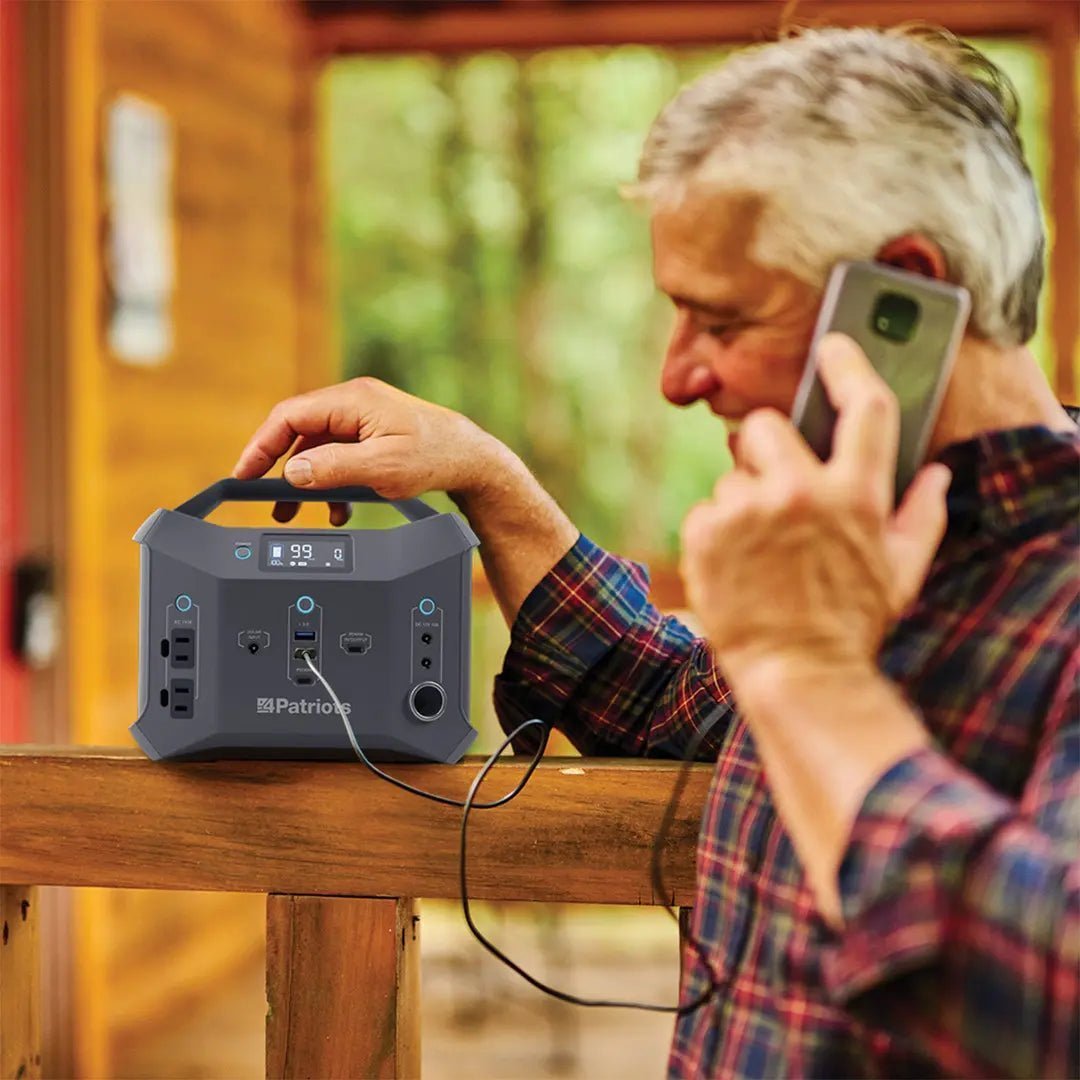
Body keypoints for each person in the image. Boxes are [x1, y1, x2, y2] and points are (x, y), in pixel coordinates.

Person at [233, 27, 1078, 1078]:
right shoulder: (854, 545)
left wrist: (809, 673)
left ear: (899, 297)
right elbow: (666, 705)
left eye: (720, 320)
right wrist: (488, 477)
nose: (677, 380)